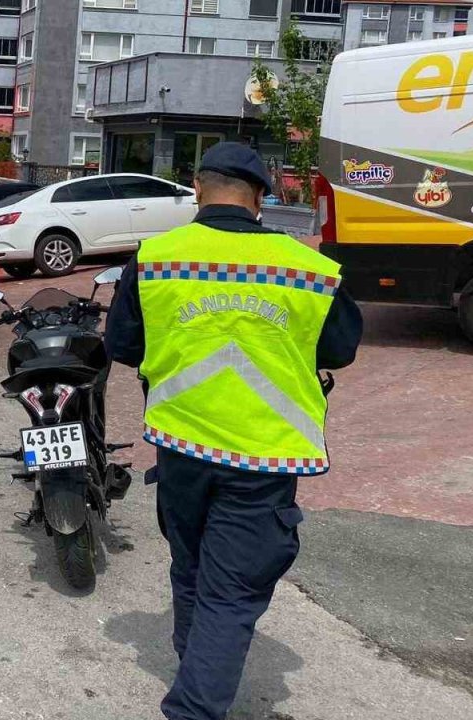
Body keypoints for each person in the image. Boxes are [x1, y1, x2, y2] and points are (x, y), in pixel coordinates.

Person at [104, 143, 362, 720]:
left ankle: (193, 661)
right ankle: (194, 705)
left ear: (198, 187)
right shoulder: (310, 270)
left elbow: (122, 346)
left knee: (191, 565)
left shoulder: (155, 258)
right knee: (232, 591)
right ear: (262, 198)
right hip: (263, 457)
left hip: (181, 446)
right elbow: (340, 351)